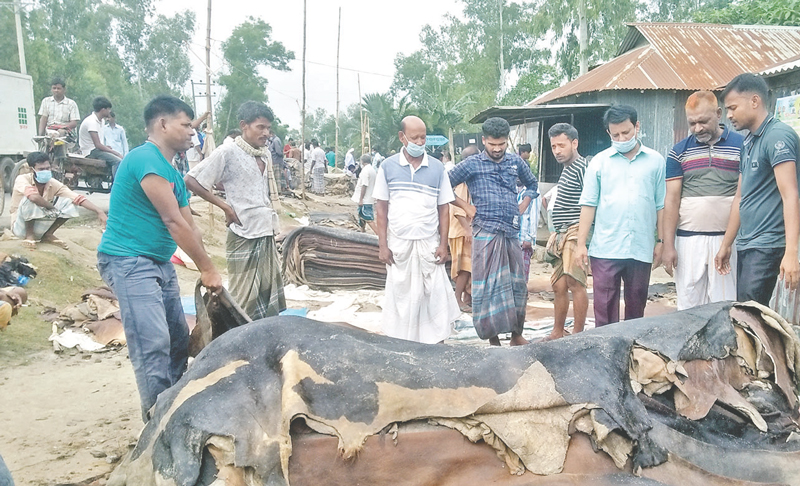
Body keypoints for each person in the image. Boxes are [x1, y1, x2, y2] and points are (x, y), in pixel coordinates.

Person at [96, 95, 222, 421]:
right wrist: (207, 268)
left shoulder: (173, 172)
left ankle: (174, 407)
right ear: (163, 124)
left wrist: (209, 270)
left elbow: (190, 226)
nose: (192, 133)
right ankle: (158, 422)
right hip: (128, 260)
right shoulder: (145, 159)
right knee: (153, 342)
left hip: (158, 262)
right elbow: (173, 222)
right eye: (186, 125)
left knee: (179, 338)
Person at [185, 101, 286, 321]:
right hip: (243, 232)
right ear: (244, 126)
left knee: (266, 294)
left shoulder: (264, 154)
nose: (266, 133)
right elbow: (192, 180)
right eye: (261, 127)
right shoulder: (228, 151)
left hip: (264, 228)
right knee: (243, 296)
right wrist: (225, 207)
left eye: (268, 128)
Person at [449, 117, 538, 346]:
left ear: (507, 141)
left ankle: (517, 335)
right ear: (483, 141)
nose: (497, 149)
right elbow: (443, 185)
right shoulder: (472, 164)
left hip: (511, 232)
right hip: (485, 231)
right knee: (488, 286)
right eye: (492, 144)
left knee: (517, 284)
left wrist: (524, 203)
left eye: (501, 144)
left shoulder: (516, 162)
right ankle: (493, 339)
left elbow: (532, 184)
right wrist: (466, 206)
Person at [575, 105, 666, 327]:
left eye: (626, 132)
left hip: (640, 246)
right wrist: (580, 244)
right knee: (604, 310)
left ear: (637, 126)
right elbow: (588, 204)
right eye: (615, 134)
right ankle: (605, 354)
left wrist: (661, 241)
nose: (621, 138)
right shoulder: (599, 162)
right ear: (608, 133)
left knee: (637, 307)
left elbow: (661, 205)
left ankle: (631, 354)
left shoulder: (655, 161)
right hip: (606, 247)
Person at [373, 115, 460, 343]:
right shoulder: (387, 167)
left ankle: (436, 343)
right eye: (414, 137)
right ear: (402, 137)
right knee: (401, 296)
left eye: (423, 137)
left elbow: (444, 208)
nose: (420, 142)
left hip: (428, 244)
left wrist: (443, 244)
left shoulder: (438, 168)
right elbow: (380, 209)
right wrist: (383, 245)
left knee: (434, 295)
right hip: (399, 245)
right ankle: (402, 343)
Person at [716, 73, 800, 304]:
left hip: (769, 244)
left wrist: (791, 252)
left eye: (733, 107)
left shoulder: (777, 137)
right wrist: (726, 244)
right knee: (746, 312)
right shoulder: (749, 142)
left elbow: (791, 195)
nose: (729, 115)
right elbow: (741, 196)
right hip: (748, 243)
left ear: (754, 101)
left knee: (753, 318)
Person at [663, 91, 741, 310]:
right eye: (692, 123)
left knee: (724, 307)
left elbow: (743, 195)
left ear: (718, 114)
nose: (698, 128)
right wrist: (668, 245)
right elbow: (671, 200)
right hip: (689, 241)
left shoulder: (742, 146)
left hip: (726, 242)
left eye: (703, 121)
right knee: (688, 305)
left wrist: (728, 242)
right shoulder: (678, 152)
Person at [544, 123, 589, 340]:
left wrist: (583, 239)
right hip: (560, 233)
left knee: (575, 282)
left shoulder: (582, 167)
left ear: (574, 143)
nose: (557, 151)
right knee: (558, 285)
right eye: (553, 147)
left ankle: (578, 335)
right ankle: (557, 331)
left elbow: (589, 202)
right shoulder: (567, 168)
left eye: (561, 145)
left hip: (575, 230)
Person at [9, 151, 107, 249]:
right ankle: (29, 236)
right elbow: (33, 197)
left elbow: (77, 198)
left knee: (69, 202)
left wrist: (99, 211)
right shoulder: (22, 179)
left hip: (40, 225)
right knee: (30, 199)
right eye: (41, 169)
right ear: (32, 169)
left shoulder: (53, 183)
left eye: (47, 168)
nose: (45, 171)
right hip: (20, 227)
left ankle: (48, 234)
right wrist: (51, 208)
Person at [448, 144, 479, 313]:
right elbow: (458, 210)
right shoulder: (462, 184)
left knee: (470, 267)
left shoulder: (468, 181)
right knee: (464, 268)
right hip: (461, 231)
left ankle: (467, 298)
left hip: (464, 230)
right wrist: (468, 230)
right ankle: (457, 298)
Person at [78, 96, 123, 178]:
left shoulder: (101, 121)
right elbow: (97, 145)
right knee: (118, 161)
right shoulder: (91, 122)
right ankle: (116, 186)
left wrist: (107, 148)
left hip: (96, 150)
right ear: (103, 110)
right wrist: (116, 153)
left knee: (115, 156)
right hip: (90, 152)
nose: (109, 112)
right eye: (108, 109)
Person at [352, 154, 377, 233]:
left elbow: (364, 185)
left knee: (368, 218)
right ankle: (362, 231)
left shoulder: (366, 171)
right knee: (361, 216)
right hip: (369, 197)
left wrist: (361, 199)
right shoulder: (372, 170)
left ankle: (379, 234)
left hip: (365, 199)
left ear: (362, 161)